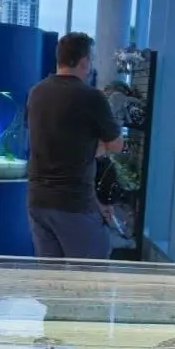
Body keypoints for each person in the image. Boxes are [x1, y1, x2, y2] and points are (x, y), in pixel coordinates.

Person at [26, 32, 125, 259]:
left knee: (52, 279)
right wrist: (98, 147)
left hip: (38, 200)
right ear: (84, 61)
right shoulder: (91, 97)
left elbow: (53, 139)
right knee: (90, 277)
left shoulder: (36, 93)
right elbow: (117, 144)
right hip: (73, 202)